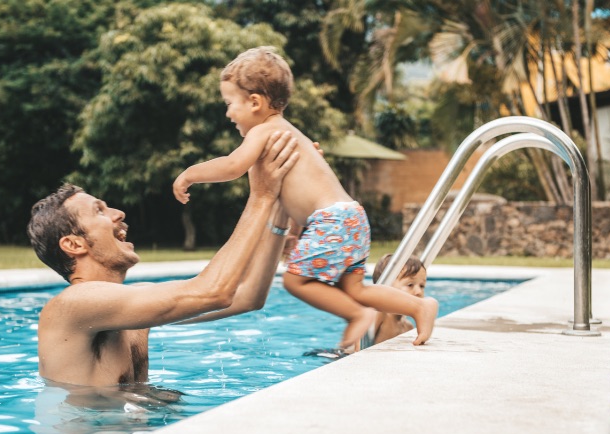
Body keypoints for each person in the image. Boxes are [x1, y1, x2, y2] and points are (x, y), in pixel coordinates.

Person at [172, 46, 438, 349]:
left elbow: (233, 165)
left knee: (294, 281)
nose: (228, 112)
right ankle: (419, 307)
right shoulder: (292, 135)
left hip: (331, 221)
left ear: (255, 102)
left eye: (230, 103)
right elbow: (300, 197)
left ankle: (357, 315)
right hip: (351, 216)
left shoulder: (265, 131)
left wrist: (190, 173)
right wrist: (297, 234)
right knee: (357, 288)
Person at [27, 131, 301, 387]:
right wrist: (262, 195)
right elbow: (213, 292)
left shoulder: (132, 304)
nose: (119, 213)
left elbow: (248, 297)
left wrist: (278, 208)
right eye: (99, 211)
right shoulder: (70, 307)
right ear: (73, 244)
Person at [369, 254, 430, 345]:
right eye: (410, 285)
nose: (419, 291)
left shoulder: (408, 327)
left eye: (422, 286)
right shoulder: (378, 314)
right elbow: (357, 347)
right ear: (387, 288)